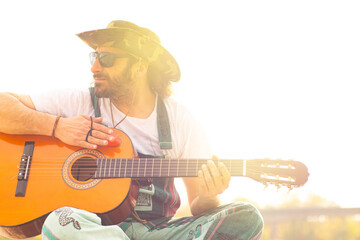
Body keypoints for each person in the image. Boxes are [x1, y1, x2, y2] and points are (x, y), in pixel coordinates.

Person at [0, 20, 263, 240]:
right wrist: (56, 126)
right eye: (94, 56)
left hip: (160, 231)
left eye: (106, 58)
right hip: (96, 230)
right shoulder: (77, 102)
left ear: (140, 66)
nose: (94, 67)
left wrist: (209, 194)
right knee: (59, 222)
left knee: (246, 217)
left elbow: (199, 207)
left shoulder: (180, 119)